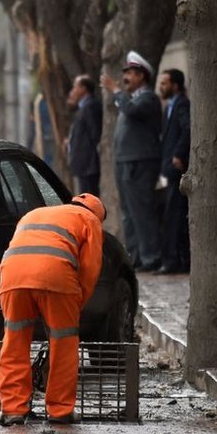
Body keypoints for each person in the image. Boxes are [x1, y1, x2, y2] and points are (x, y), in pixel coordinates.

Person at [0, 193, 105, 426]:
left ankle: (13, 409)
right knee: (63, 343)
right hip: (56, 277)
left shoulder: (35, 213)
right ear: (97, 213)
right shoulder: (90, 219)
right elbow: (90, 268)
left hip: (13, 277)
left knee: (14, 341)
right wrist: (77, 302)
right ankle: (60, 410)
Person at [100, 51, 162, 272]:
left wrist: (116, 91)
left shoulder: (147, 99)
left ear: (142, 77)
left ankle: (151, 257)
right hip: (126, 161)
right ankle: (135, 257)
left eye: (131, 73)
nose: (125, 78)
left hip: (140, 162)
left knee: (142, 211)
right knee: (128, 213)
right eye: (124, 73)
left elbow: (132, 111)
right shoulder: (131, 99)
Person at [157, 69, 191, 274]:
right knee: (171, 215)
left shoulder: (182, 104)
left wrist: (178, 155)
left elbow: (187, 129)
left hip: (177, 167)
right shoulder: (169, 106)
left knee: (175, 215)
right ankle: (173, 260)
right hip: (169, 168)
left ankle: (175, 261)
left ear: (175, 85)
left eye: (165, 83)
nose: (161, 87)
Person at [65, 75, 103, 196]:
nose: (73, 91)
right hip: (84, 166)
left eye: (75, 87)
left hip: (89, 166)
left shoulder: (90, 106)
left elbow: (95, 135)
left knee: (89, 200)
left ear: (83, 88)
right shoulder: (83, 107)